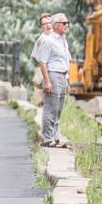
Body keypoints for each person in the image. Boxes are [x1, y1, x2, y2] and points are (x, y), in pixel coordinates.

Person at [35, 13, 72, 147]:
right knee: (51, 107)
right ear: (56, 25)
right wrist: (47, 81)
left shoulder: (63, 40)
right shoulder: (48, 40)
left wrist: (66, 79)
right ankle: (47, 138)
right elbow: (43, 62)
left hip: (62, 75)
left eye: (67, 23)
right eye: (64, 23)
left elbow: (65, 60)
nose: (67, 25)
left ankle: (55, 136)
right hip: (53, 74)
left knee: (59, 108)